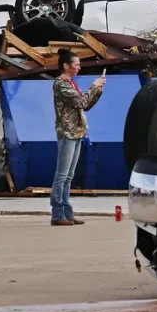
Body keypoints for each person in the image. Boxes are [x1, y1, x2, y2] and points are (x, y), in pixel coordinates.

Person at [51, 49, 105, 226]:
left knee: (68, 176)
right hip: (67, 133)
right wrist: (94, 86)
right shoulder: (61, 84)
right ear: (66, 66)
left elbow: (86, 105)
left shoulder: (72, 83)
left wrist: (98, 90)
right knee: (62, 175)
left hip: (76, 132)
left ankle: (67, 212)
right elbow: (81, 102)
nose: (79, 68)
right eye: (76, 65)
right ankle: (58, 214)